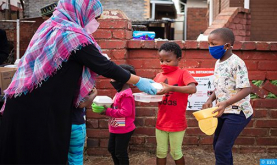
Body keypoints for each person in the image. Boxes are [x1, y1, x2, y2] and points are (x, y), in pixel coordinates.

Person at [0, 0, 157, 164]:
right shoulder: (72, 35)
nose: (97, 22)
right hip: (39, 112)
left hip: (25, 104)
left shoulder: (50, 27)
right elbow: (106, 67)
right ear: (81, 13)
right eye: (95, 17)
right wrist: (139, 81)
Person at [202, 28, 253, 165]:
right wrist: (210, 99)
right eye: (209, 44)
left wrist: (225, 103)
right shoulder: (218, 63)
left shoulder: (236, 63)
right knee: (218, 145)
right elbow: (220, 86)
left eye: (213, 44)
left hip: (238, 112)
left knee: (221, 147)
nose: (210, 47)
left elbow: (247, 89)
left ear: (227, 46)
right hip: (223, 111)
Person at [153, 42, 198, 165]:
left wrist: (171, 88)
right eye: (161, 61)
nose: (164, 64)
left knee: (175, 152)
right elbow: (153, 92)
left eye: (168, 60)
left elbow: (192, 89)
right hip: (161, 122)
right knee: (160, 151)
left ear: (178, 59)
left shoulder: (183, 73)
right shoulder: (158, 76)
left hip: (177, 123)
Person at [94, 64, 136, 165]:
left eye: (114, 77)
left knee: (120, 152)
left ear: (122, 79)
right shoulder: (119, 92)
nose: (111, 80)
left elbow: (126, 112)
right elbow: (117, 107)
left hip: (124, 128)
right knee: (112, 149)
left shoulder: (126, 95)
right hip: (116, 127)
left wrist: (107, 111)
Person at [68, 87, 97, 165]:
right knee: (76, 157)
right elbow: (81, 104)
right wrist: (94, 94)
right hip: (76, 125)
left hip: (61, 125)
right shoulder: (77, 83)